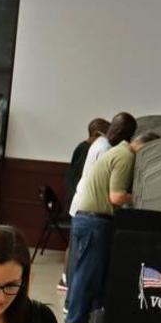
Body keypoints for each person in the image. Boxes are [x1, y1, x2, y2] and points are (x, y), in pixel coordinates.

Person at [64, 131, 160, 323]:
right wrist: (142, 194)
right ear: (145, 149)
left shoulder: (117, 151)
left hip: (91, 221)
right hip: (95, 222)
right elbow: (116, 196)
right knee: (86, 278)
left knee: (91, 278)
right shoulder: (126, 157)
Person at [59, 117, 109, 291]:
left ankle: (66, 277)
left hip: (76, 198)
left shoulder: (85, 146)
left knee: (72, 246)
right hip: (78, 200)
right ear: (97, 134)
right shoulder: (88, 149)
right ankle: (65, 279)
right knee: (72, 247)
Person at [68, 112, 137, 217]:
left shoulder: (100, 142)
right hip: (90, 210)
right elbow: (113, 193)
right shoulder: (107, 149)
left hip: (82, 205)